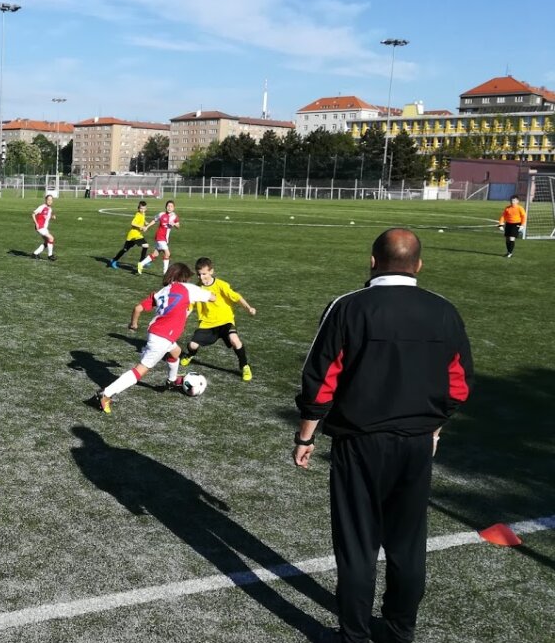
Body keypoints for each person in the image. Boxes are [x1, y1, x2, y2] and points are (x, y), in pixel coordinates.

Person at [293, 228, 473, 643]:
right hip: (416, 444)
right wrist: (434, 428)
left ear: (372, 261)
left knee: (358, 544)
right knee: (407, 543)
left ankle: (354, 635)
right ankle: (398, 630)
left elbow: (321, 378)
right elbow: (459, 385)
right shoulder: (444, 311)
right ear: (419, 266)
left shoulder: (348, 306)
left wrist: (305, 436)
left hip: (359, 443)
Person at [95, 263, 215, 414]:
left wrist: (133, 324)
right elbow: (213, 297)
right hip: (163, 337)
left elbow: (138, 308)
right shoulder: (189, 288)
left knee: (176, 352)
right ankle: (106, 394)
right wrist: (206, 284)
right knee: (140, 370)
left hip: (157, 332)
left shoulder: (162, 291)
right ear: (184, 277)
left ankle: (171, 381)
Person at [180, 257, 257, 381]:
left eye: (204, 274)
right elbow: (190, 307)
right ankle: (190, 355)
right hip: (207, 324)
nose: (201, 277)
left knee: (235, 340)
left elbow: (236, 297)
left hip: (225, 321)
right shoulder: (196, 289)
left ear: (211, 271)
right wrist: (181, 319)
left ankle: (244, 366)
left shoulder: (221, 285)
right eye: (199, 275)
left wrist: (249, 308)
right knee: (192, 345)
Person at [136, 199, 179, 275]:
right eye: (168, 206)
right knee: (167, 253)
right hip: (160, 237)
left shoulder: (175, 216)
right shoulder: (161, 214)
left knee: (155, 254)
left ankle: (141, 264)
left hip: (165, 239)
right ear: (165, 207)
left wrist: (175, 224)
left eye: (171, 206)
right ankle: (165, 273)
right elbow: (154, 220)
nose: (169, 208)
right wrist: (147, 227)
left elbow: (178, 226)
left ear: (174, 208)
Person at [108, 200, 150, 269]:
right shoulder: (138, 215)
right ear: (138, 208)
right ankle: (114, 260)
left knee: (145, 245)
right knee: (125, 249)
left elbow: (142, 219)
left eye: (144, 208)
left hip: (138, 235)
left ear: (146, 209)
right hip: (133, 235)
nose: (142, 210)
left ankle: (142, 261)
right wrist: (141, 227)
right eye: (141, 208)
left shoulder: (143, 214)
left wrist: (145, 222)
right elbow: (132, 223)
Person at [31, 194, 57, 260]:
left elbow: (47, 216)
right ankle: (50, 255)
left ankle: (35, 254)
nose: (50, 201)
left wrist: (52, 217)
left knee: (47, 242)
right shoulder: (42, 207)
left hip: (44, 228)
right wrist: (36, 223)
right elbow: (33, 214)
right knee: (51, 238)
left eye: (51, 200)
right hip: (40, 227)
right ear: (45, 200)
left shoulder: (50, 209)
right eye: (48, 200)